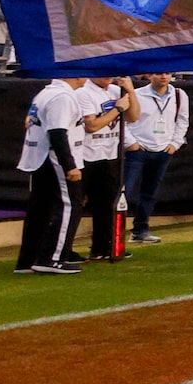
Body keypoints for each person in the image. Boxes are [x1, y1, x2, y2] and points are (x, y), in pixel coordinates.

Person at [14, 74, 83, 274]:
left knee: (40, 208)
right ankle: (53, 258)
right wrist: (69, 165)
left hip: (39, 157)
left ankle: (28, 260)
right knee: (70, 204)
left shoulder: (45, 92)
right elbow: (58, 133)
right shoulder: (62, 97)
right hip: (53, 157)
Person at [68, 77, 133, 262]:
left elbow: (133, 116)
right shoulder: (83, 93)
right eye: (103, 72)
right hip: (85, 155)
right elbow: (91, 125)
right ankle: (63, 250)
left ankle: (103, 246)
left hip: (110, 154)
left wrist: (131, 92)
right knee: (75, 204)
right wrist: (117, 109)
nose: (108, 76)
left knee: (107, 205)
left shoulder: (115, 91)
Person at [121, 72, 188, 244]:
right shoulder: (138, 94)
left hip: (162, 150)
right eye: (159, 73)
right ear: (150, 76)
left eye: (167, 73)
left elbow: (182, 121)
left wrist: (175, 144)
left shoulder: (179, 95)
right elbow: (125, 121)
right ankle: (114, 234)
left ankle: (140, 230)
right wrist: (132, 143)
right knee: (124, 192)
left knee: (150, 193)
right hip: (138, 150)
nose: (164, 77)